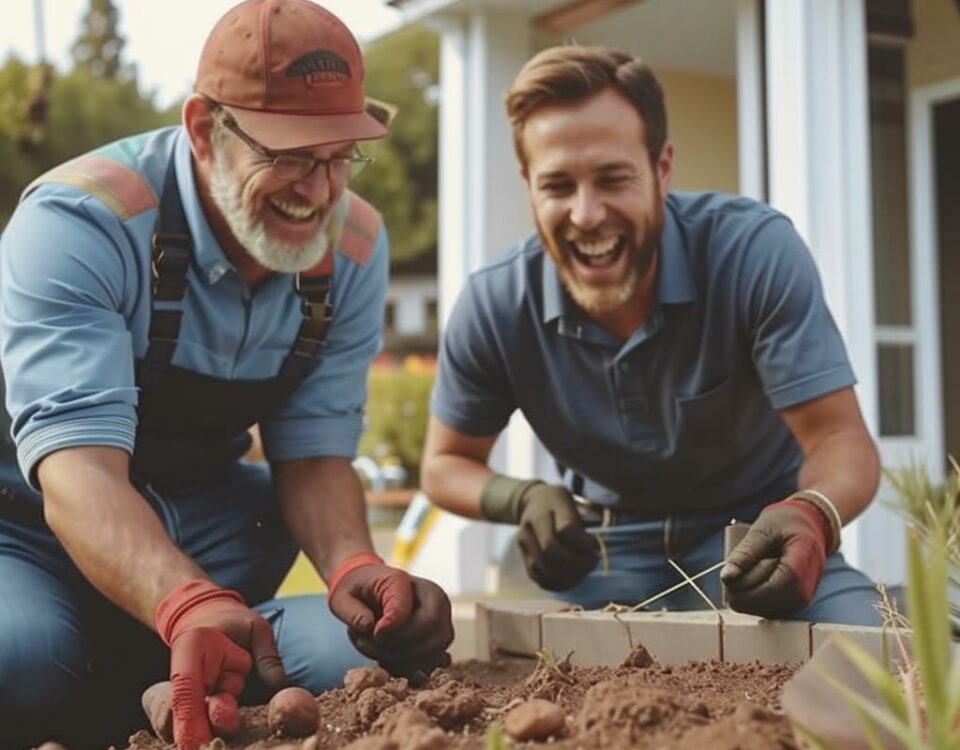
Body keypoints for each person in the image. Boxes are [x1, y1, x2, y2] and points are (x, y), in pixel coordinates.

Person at [0, 2, 453, 749]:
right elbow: (77, 477)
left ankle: (163, 666)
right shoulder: (81, 223)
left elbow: (312, 456)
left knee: (361, 657)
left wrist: (355, 567)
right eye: (292, 155)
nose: (318, 192)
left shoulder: (356, 247)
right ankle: (139, 662)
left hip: (203, 523)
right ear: (205, 129)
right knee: (21, 667)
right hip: (32, 523)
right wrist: (183, 603)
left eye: (340, 155)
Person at [421, 45, 882, 627]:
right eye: (557, 185)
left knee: (883, 657)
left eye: (613, 179)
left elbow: (842, 441)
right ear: (527, 182)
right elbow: (444, 463)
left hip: (757, 543)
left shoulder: (753, 253)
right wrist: (522, 498)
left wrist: (811, 513)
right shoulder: (494, 303)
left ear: (662, 169)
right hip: (603, 556)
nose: (586, 214)